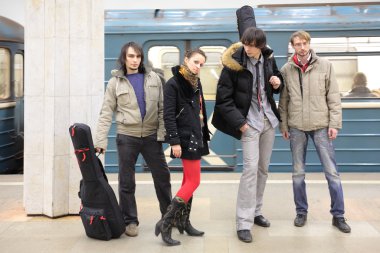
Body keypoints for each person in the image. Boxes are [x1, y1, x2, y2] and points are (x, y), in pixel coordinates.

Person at [212, 27, 283, 243]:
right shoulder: (234, 64)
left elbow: (277, 81)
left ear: (261, 46)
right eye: (245, 44)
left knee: (263, 169)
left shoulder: (268, 59)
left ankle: (256, 211)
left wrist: (278, 83)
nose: (248, 49)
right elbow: (223, 100)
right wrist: (240, 123)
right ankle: (243, 222)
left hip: (269, 121)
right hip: (249, 124)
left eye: (252, 46)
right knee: (250, 171)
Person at [95, 42, 172, 237]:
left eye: (138, 56)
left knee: (162, 177)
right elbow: (106, 113)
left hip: (151, 136)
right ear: (124, 58)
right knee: (126, 181)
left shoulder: (154, 78)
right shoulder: (115, 82)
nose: (135, 60)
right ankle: (130, 221)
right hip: (126, 137)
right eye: (131, 56)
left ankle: (167, 217)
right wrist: (100, 140)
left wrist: (162, 134)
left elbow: (163, 108)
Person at [278, 30, 351, 233]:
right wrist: (284, 126)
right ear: (293, 46)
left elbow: (334, 97)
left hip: (321, 126)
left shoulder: (325, 66)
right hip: (296, 127)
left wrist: (334, 124)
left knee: (332, 173)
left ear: (309, 44)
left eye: (304, 44)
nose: (301, 48)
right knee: (298, 174)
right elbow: (283, 101)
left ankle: (339, 215)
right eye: (297, 44)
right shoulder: (286, 69)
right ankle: (301, 212)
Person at [155, 49, 210, 246]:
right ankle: (166, 222)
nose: (198, 67)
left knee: (188, 180)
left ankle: (184, 221)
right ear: (186, 59)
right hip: (184, 139)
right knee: (194, 181)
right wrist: (175, 141)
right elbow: (168, 115)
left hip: (196, 136)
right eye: (196, 62)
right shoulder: (173, 84)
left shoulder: (196, 82)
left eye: (202, 64)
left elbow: (200, 110)